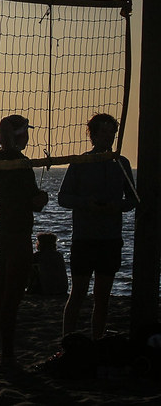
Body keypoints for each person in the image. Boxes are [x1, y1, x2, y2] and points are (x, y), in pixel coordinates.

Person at [58, 113, 137, 339]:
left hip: (110, 238)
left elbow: (132, 199)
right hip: (84, 238)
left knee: (103, 296)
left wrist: (116, 206)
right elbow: (63, 198)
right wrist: (87, 203)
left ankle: (98, 341)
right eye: (104, 132)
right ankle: (67, 342)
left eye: (112, 133)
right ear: (93, 135)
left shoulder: (121, 163)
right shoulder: (81, 162)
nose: (109, 137)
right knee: (78, 293)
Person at [0, 114, 49, 369]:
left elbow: (20, 196)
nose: (29, 136)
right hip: (17, 232)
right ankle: (7, 355)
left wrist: (35, 199)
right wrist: (41, 199)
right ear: (20, 134)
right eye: (26, 132)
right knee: (11, 297)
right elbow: (30, 199)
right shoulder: (19, 162)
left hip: (3, 230)